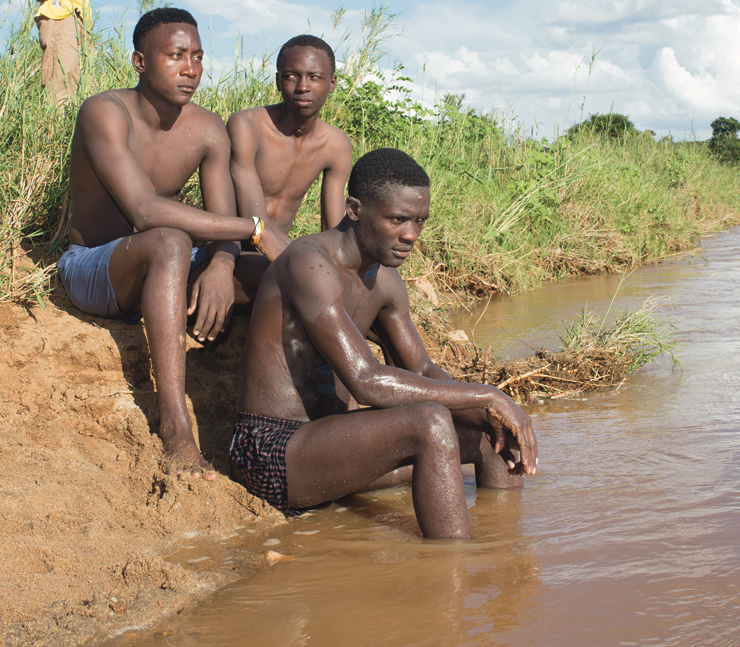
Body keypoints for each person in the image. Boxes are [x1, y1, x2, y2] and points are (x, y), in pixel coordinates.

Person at [230, 148, 538, 538]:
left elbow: (422, 369)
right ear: (355, 209)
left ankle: (503, 555)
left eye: (419, 221)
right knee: (430, 422)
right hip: (272, 451)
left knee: (490, 438)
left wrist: (492, 415)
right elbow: (366, 381)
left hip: (338, 442)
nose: (410, 234)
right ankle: (452, 576)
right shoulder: (309, 263)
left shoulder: (386, 280)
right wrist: (488, 395)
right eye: (398, 219)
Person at [60, 7, 276, 477]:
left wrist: (222, 267)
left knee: (273, 275)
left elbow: (218, 219)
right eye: (176, 55)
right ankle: (175, 429)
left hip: (170, 269)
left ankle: (282, 426)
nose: (191, 69)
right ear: (140, 62)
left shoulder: (206, 128)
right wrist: (253, 229)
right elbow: (143, 210)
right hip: (97, 267)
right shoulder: (104, 111)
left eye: (198, 56)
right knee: (171, 241)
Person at [227, 35, 351, 301]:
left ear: (332, 84)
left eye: (315, 77)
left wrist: (341, 268)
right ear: (277, 81)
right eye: (292, 76)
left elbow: (335, 231)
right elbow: (256, 225)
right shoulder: (248, 126)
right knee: (307, 285)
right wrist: (306, 265)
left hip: (280, 255)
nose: (302, 87)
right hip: (235, 253)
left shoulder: (336, 145)